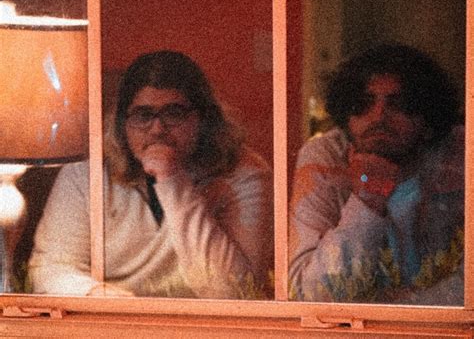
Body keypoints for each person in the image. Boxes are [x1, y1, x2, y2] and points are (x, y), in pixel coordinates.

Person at [29, 51, 273, 298]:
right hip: (111, 315)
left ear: (203, 119)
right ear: (122, 123)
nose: (157, 129)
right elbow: (51, 269)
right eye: (143, 115)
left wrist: (173, 180)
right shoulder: (85, 174)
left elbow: (235, 293)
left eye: (174, 113)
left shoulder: (244, 172)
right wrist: (108, 301)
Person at [289, 44, 464, 305]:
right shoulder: (326, 157)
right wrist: (368, 198)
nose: (379, 115)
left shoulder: (459, 154)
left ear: (428, 117)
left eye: (399, 104)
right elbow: (308, 295)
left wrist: (399, 308)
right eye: (363, 103)